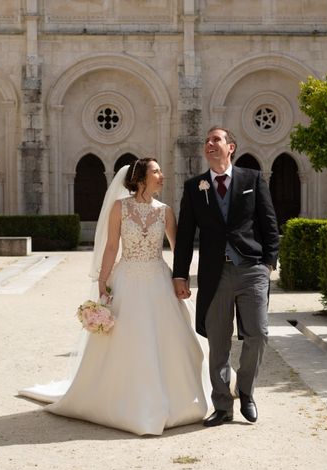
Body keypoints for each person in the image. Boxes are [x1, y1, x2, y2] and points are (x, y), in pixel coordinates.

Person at [19, 158, 209, 436]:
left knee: (168, 337)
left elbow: (178, 247)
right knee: (128, 338)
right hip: (127, 278)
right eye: (156, 171)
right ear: (141, 178)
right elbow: (110, 247)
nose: (162, 175)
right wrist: (103, 282)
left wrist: (180, 277)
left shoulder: (165, 211)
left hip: (158, 279)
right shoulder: (120, 207)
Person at [172, 126, 280, 427]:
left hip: (251, 269)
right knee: (218, 342)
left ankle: (245, 391)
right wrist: (180, 274)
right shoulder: (195, 187)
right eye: (207, 141)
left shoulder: (252, 179)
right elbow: (184, 236)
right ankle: (222, 405)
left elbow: (269, 223)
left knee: (258, 333)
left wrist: (268, 263)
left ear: (230, 147)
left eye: (216, 140)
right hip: (214, 274)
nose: (209, 144)